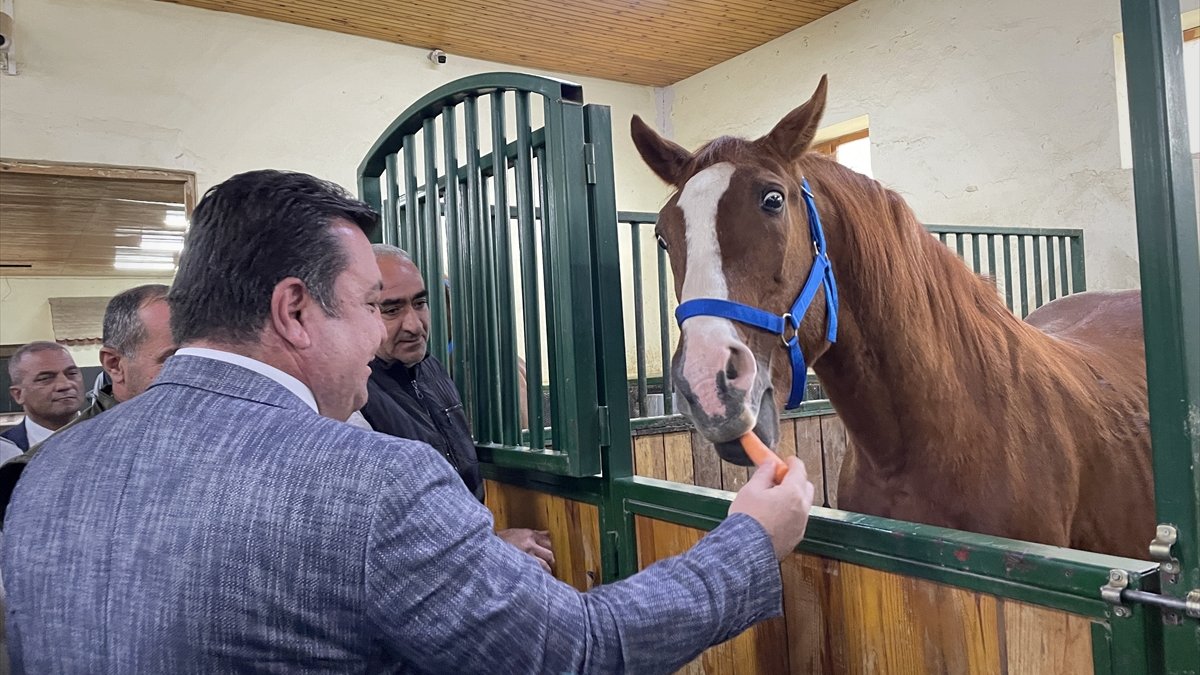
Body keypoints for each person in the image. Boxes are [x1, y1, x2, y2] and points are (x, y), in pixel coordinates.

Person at [2, 169, 816, 673]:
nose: (383, 333)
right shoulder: (370, 481)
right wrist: (749, 537)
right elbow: (577, 651)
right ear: (294, 310)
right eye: (366, 305)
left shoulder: (53, 472)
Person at [359, 245, 555, 571]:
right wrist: (492, 546)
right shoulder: (355, 397)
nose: (414, 324)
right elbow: (384, 537)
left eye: (420, 303)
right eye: (391, 310)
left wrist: (487, 544)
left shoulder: (432, 370)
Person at [0, 284, 176, 522]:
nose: (64, 385)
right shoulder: (35, 470)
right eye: (173, 359)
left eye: (72, 373)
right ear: (113, 365)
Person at [0, 342, 84, 454]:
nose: (65, 385)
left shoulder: (111, 435)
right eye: (45, 378)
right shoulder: (5, 453)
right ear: (18, 394)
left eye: (72, 373)